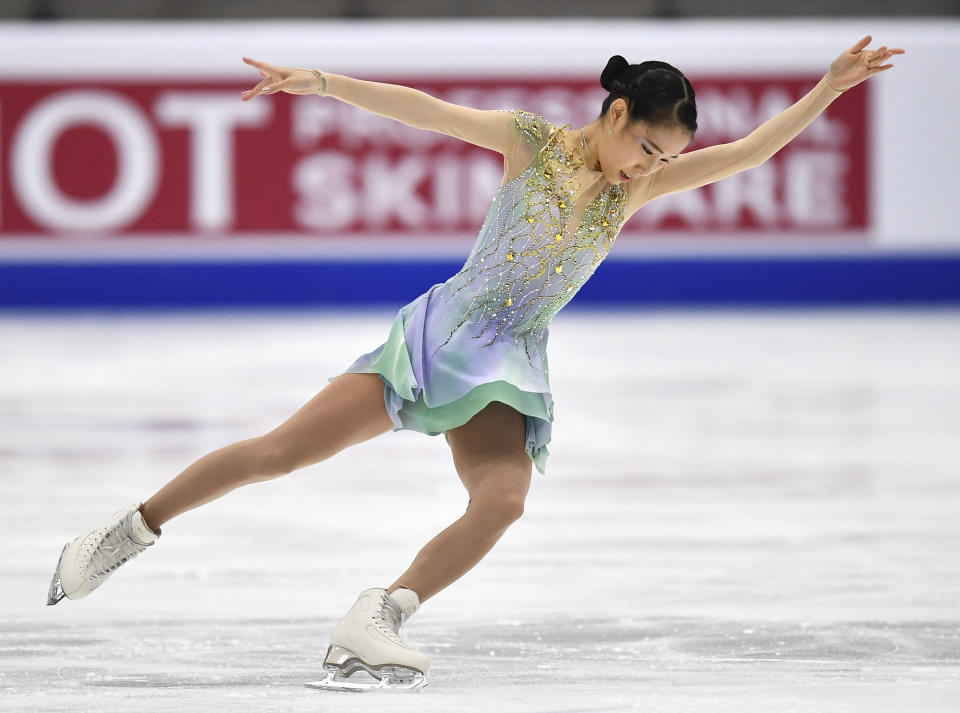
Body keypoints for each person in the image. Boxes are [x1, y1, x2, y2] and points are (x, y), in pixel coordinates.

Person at [46, 35, 903, 690]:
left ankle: (379, 612)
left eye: (666, 159)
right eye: (647, 148)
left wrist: (827, 88)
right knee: (280, 452)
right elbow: (423, 109)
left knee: (503, 499)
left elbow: (749, 153)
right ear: (614, 117)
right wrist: (323, 84)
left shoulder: (634, 189)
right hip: (441, 337)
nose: (653, 168)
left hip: (510, 359)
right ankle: (129, 529)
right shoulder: (527, 142)